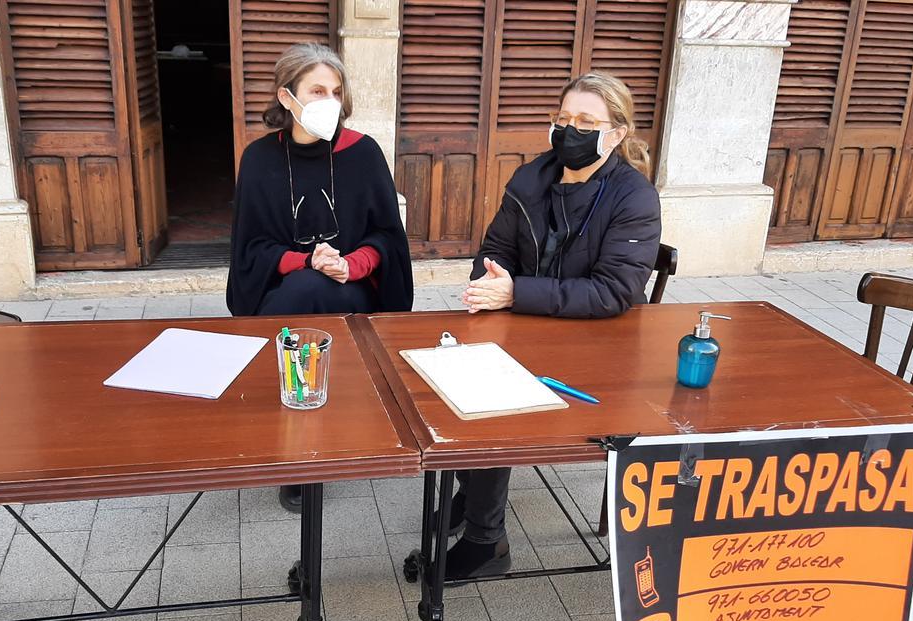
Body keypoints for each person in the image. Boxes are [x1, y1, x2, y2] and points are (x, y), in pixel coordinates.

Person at [447, 71, 662, 578]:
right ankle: (471, 489)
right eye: (563, 119)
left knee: (495, 401)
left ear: (617, 133)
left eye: (587, 122)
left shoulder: (634, 198)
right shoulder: (531, 179)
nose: (571, 130)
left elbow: (615, 292)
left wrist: (517, 292)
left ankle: (486, 543)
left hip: (598, 346)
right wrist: (492, 279)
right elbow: (496, 246)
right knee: (455, 373)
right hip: (525, 323)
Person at [227, 43, 414, 512]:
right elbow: (251, 249)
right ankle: (304, 446)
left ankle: (301, 451)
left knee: (317, 293)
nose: (330, 100)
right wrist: (304, 261)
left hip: (352, 291)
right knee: (306, 289)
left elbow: (387, 239)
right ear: (287, 98)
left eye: (336, 90)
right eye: (316, 90)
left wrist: (352, 265)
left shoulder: (363, 153)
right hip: (285, 291)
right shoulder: (259, 160)